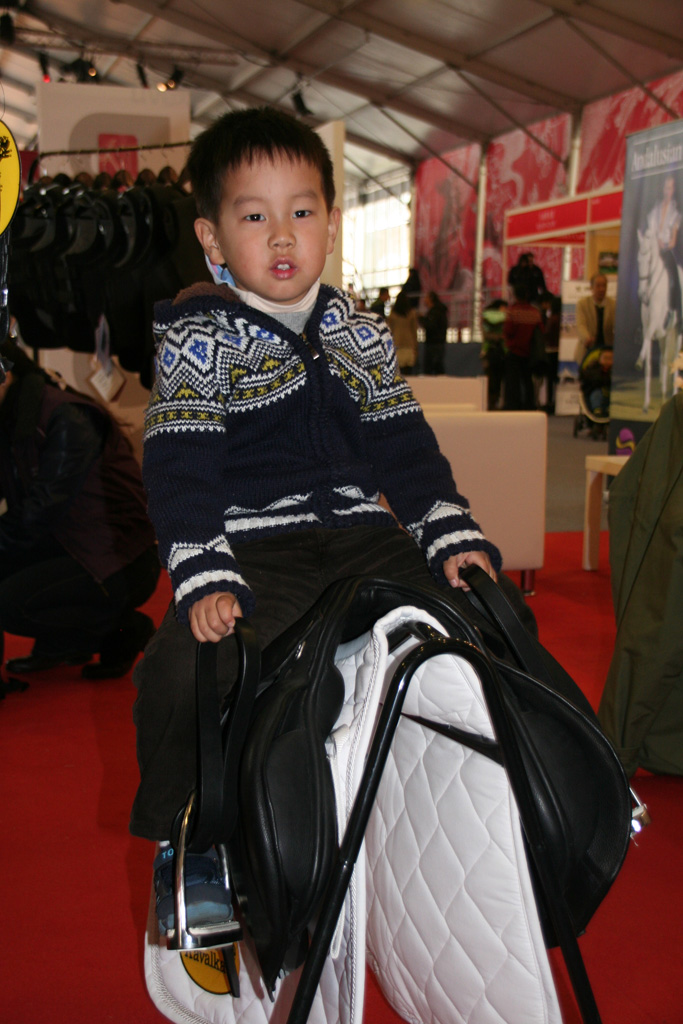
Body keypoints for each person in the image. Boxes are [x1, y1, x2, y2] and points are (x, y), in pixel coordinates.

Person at [129, 106, 504, 933]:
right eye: (253, 217)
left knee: (491, 619)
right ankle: (189, 839)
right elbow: (181, 467)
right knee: (187, 670)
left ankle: (529, 793)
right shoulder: (197, 338)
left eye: (300, 211)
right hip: (259, 548)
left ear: (330, 224)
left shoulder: (359, 332)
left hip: (365, 537)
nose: (281, 234)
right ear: (212, 238)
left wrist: (448, 531)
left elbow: (405, 447)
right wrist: (204, 571)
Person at [0, 339, 160, 679]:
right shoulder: (16, 415)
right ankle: (61, 644)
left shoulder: (65, 416)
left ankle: (124, 630)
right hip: (74, 545)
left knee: (7, 603)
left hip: (121, 560)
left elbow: (40, 511)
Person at [646, 173, 683, 329]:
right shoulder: (654, 210)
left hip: (667, 251)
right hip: (653, 249)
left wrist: (665, 244)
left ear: (673, 190)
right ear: (662, 189)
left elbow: (673, 240)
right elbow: (650, 231)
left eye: (671, 188)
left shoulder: (676, 214)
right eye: (666, 188)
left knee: (674, 276)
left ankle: (675, 313)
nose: (668, 191)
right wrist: (656, 241)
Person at [503, 284, 542, 410]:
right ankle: (529, 405)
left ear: (515, 295)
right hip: (530, 352)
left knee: (513, 380)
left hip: (514, 351)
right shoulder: (534, 312)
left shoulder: (512, 311)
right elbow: (541, 330)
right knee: (528, 380)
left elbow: (508, 331)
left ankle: (513, 405)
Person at [575, 273, 615, 357]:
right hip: (588, 349)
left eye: (604, 286)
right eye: (598, 286)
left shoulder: (613, 305)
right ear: (591, 287)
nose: (601, 289)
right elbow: (581, 325)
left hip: (607, 350)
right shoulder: (583, 304)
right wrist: (587, 338)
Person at [480, 298, 507, 409]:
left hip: (487, 351)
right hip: (502, 351)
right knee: (499, 378)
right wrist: (501, 337)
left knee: (490, 378)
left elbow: (485, 335)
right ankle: (496, 401)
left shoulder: (485, 317)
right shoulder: (505, 318)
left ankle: (490, 402)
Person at [387, 290, 419, 374]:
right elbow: (414, 330)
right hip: (409, 344)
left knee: (399, 372)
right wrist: (416, 345)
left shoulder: (393, 314)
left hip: (397, 343)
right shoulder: (412, 313)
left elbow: (389, 330)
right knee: (409, 370)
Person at [420, 290, 448, 374]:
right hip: (438, 342)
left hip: (433, 343)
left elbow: (430, 326)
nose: (424, 300)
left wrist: (422, 319)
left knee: (432, 366)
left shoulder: (435, 312)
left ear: (431, 299)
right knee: (437, 366)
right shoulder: (439, 311)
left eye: (426, 297)